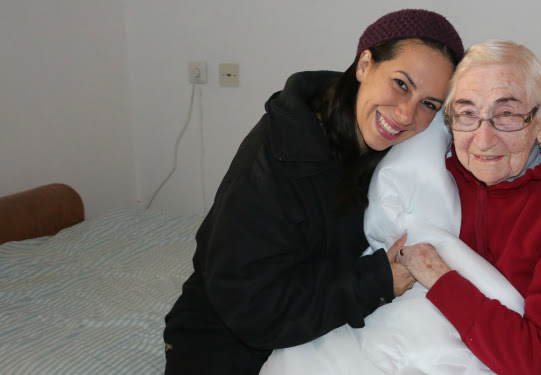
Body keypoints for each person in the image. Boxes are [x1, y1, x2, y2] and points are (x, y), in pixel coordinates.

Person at [162, 9, 464, 375]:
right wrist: (376, 281)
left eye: (428, 104)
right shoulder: (278, 156)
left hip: (313, 332)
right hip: (225, 342)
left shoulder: (389, 148)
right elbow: (250, 307)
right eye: (401, 83)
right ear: (365, 64)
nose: (405, 114)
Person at [396, 39, 541, 375]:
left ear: (540, 122)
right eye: (467, 113)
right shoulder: (435, 175)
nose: (483, 140)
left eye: (506, 114)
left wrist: (438, 276)